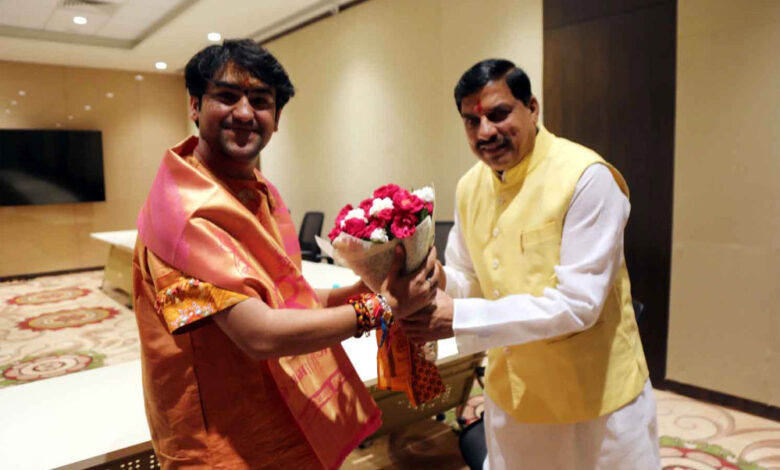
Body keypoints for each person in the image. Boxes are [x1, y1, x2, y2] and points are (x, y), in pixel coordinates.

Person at [132, 39, 440, 470]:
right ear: (195, 106)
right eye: (227, 96)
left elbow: (289, 301)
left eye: (261, 101)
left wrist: (371, 286)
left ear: (276, 118)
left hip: (284, 416)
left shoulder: (261, 193)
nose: (244, 113)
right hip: (220, 442)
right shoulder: (181, 212)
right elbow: (259, 333)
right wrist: (383, 307)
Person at [398, 59, 660, 469]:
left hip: (593, 402)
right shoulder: (470, 187)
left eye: (499, 114)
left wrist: (459, 317)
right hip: (513, 396)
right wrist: (434, 278)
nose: (485, 132)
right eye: (471, 121)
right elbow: (468, 278)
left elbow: (578, 305)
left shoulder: (586, 178)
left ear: (532, 108)